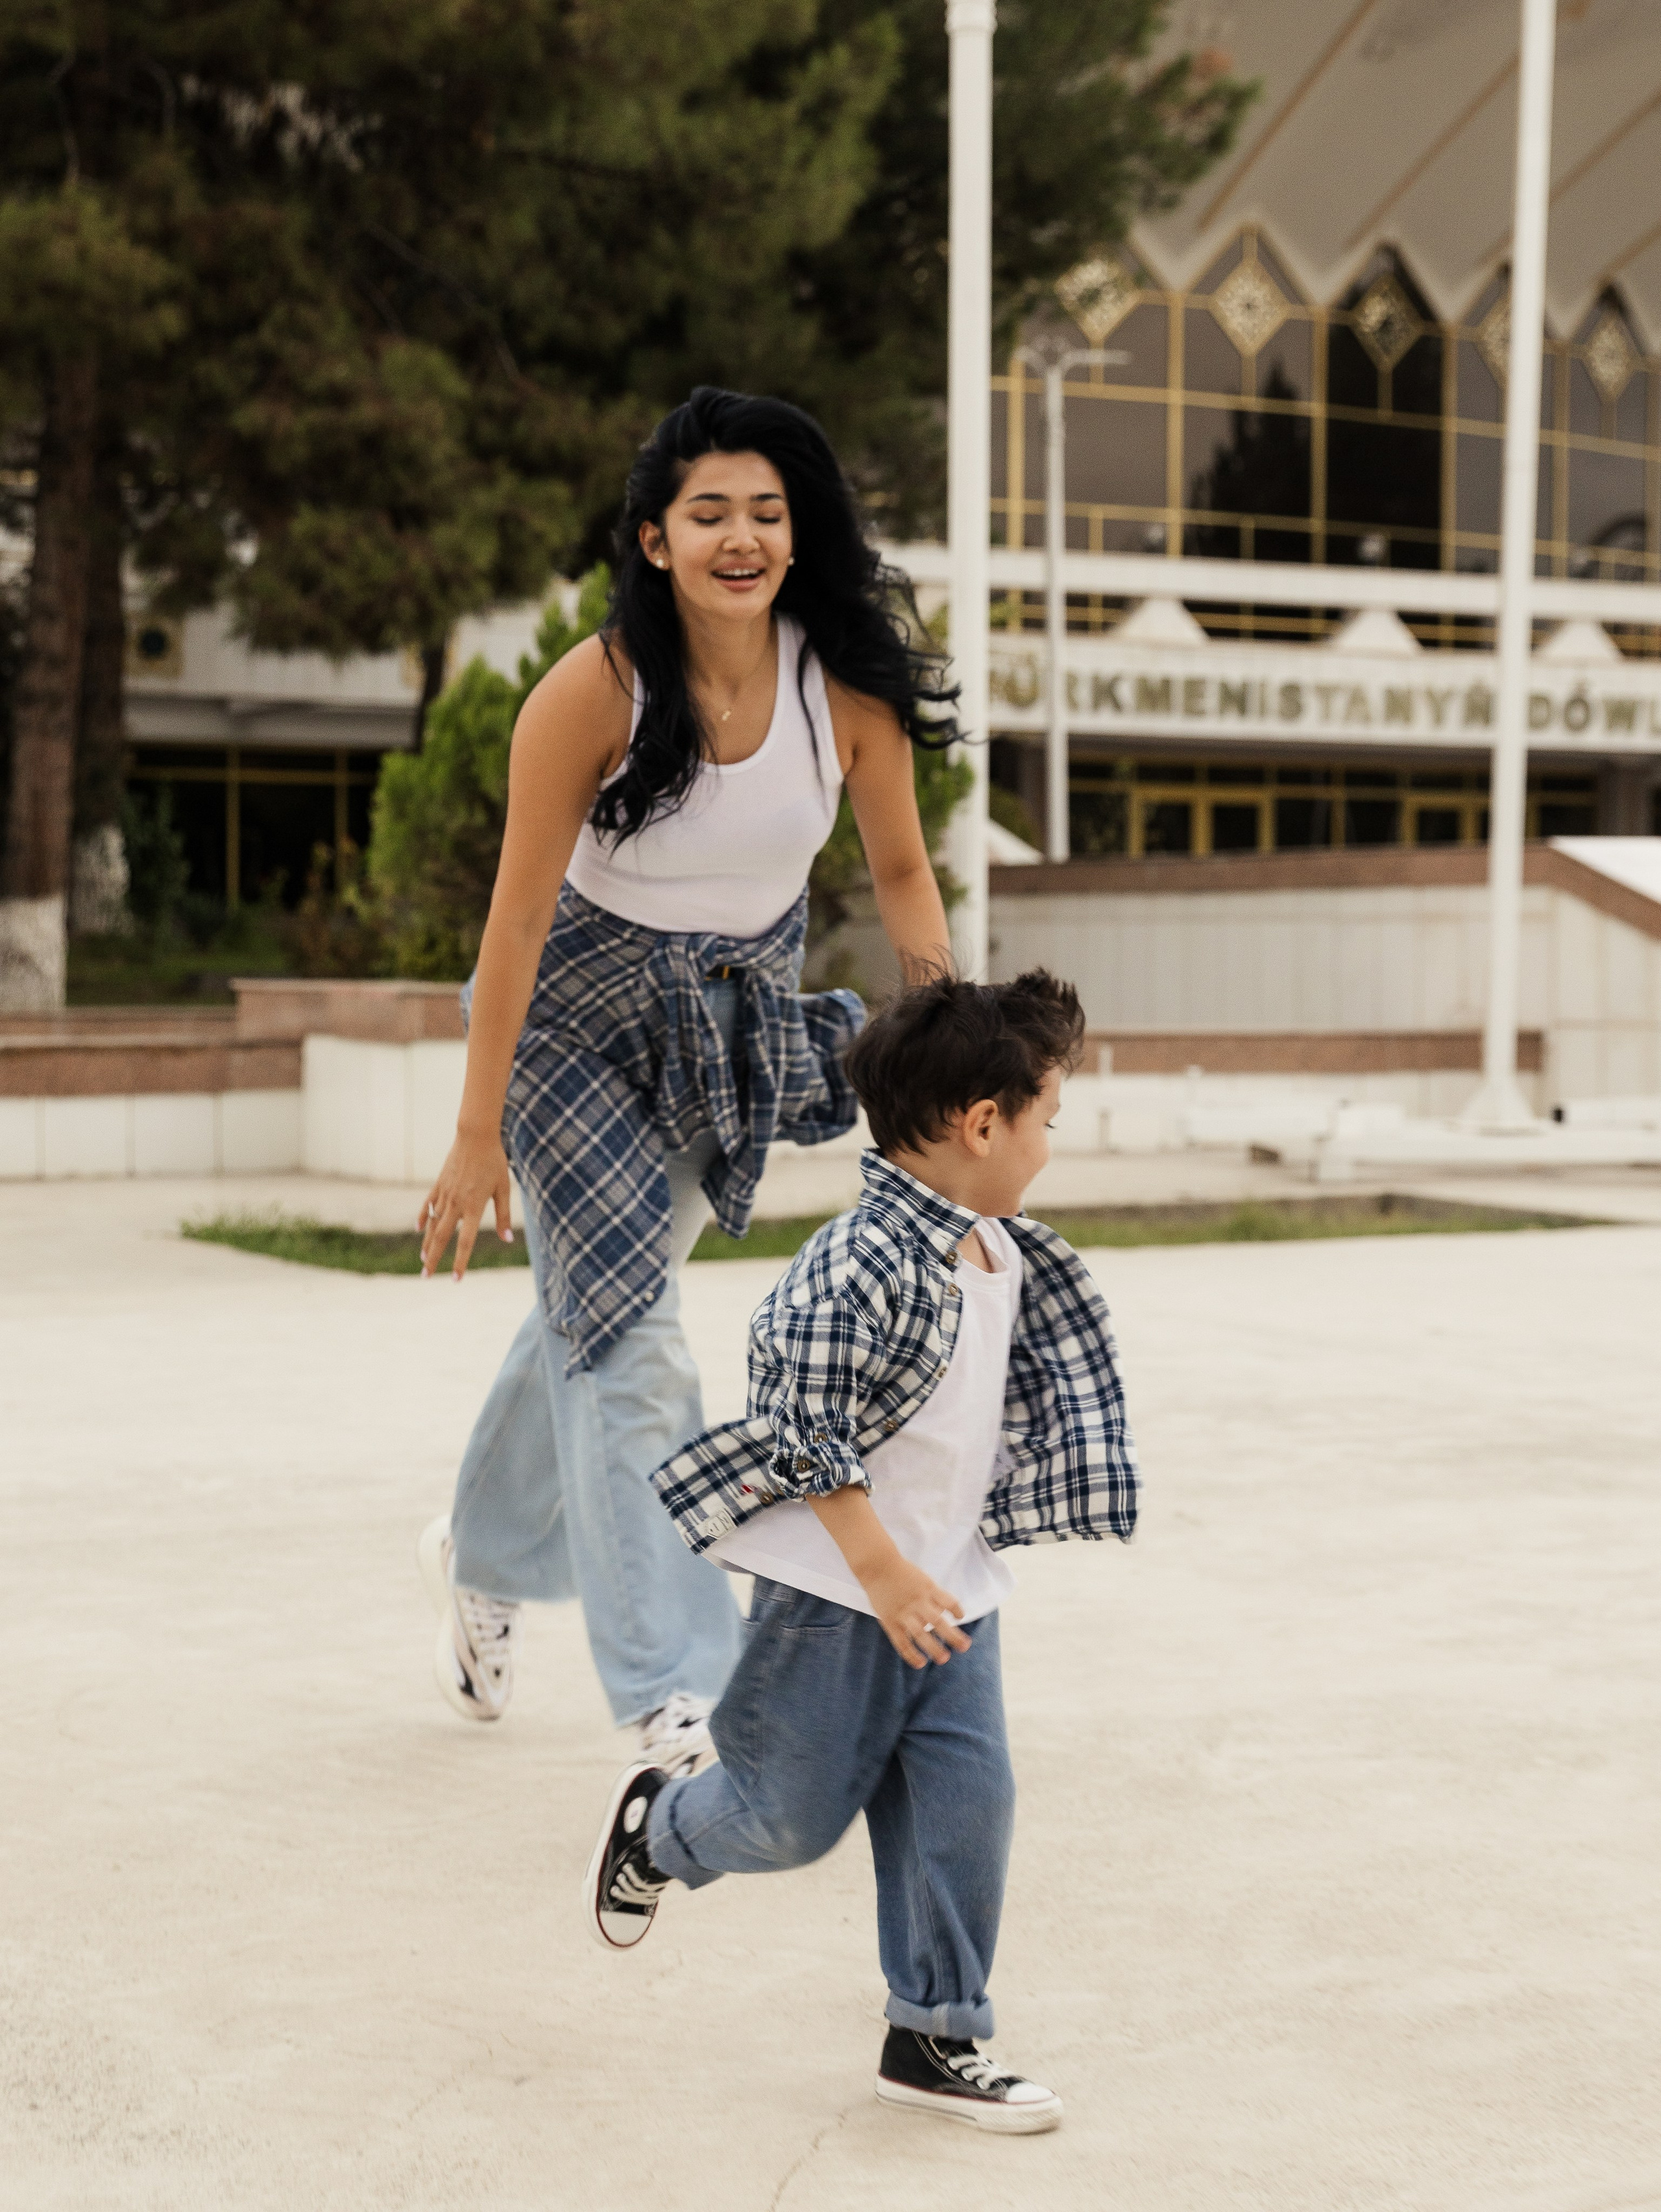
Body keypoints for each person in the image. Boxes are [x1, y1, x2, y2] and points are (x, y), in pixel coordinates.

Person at [414, 387, 956, 1775]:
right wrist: (476, 1135)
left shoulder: (838, 686)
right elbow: (516, 926)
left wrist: (945, 1050)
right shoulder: (592, 691)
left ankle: (478, 1547)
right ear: (654, 539)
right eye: (708, 512)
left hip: (719, 1024)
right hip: (563, 1028)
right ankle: (676, 1683)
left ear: (797, 535)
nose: (740, 537)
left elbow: (898, 872)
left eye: (766, 514)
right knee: (636, 1338)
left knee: (591, 1313)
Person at [582, 970, 1140, 2135]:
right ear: (982, 1124)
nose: (1052, 1140)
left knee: (967, 1806)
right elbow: (802, 1422)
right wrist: (881, 1572)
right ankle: (662, 1825)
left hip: (947, 1598)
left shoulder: (998, 1247)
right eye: (1048, 1116)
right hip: (835, 1599)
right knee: (789, 1817)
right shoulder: (863, 1259)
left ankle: (934, 2031)